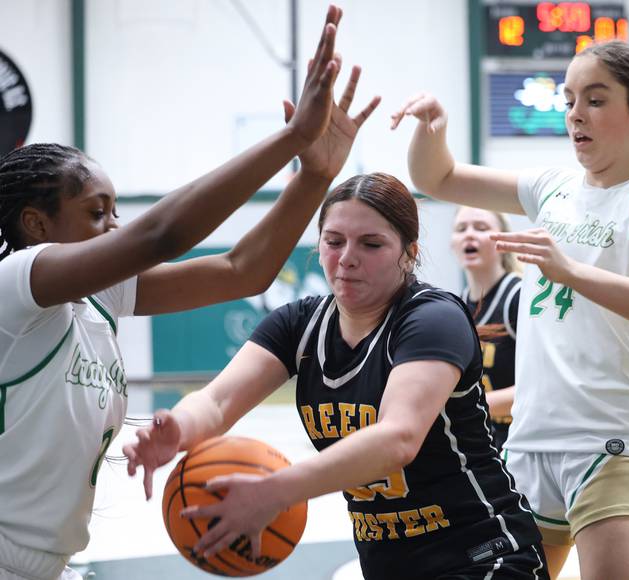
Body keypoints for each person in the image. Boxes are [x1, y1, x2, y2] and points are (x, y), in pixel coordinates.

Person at [0, 6, 383, 579]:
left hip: (47, 564)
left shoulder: (102, 299)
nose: (114, 226)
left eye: (115, 210)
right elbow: (162, 235)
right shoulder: (15, 286)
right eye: (96, 213)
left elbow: (241, 271)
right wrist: (289, 139)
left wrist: (313, 175)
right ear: (35, 224)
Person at [123, 172, 550, 580]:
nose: (347, 258)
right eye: (334, 241)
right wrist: (176, 427)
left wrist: (275, 491)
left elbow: (398, 438)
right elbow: (217, 401)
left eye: (371, 244)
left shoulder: (432, 318)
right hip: (390, 566)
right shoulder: (299, 325)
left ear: (410, 252)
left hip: (485, 556)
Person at [392, 40, 629, 580]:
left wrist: (572, 273)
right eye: (568, 100)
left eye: (595, 99)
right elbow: (436, 179)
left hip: (616, 444)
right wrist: (433, 129)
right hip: (529, 446)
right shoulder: (552, 188)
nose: (575, 115)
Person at [451, 206, 521, 451]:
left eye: (481, 228)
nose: (469, 234)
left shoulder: (519, 296)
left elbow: (542, 389)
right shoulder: (455, 306)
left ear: (503, 241)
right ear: (453, 244)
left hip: (522, 441)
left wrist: (465, 407)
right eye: (461, 229)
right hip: (484, 441)